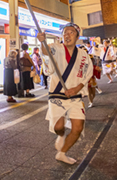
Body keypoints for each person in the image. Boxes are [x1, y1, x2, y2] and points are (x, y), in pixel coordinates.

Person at [38, 23, 93, 165]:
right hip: (57, 93)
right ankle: (61, 135)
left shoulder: (82, 55)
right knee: (58, 127)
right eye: (65, 32)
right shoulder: (56, 48)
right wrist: (42, 41)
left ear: (77, 36)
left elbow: (87, 74)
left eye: (71, 32)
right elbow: (46, 52)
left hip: (74, 95)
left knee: (78, 128)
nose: (67, 35)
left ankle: (62, 154)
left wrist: (77, 88)